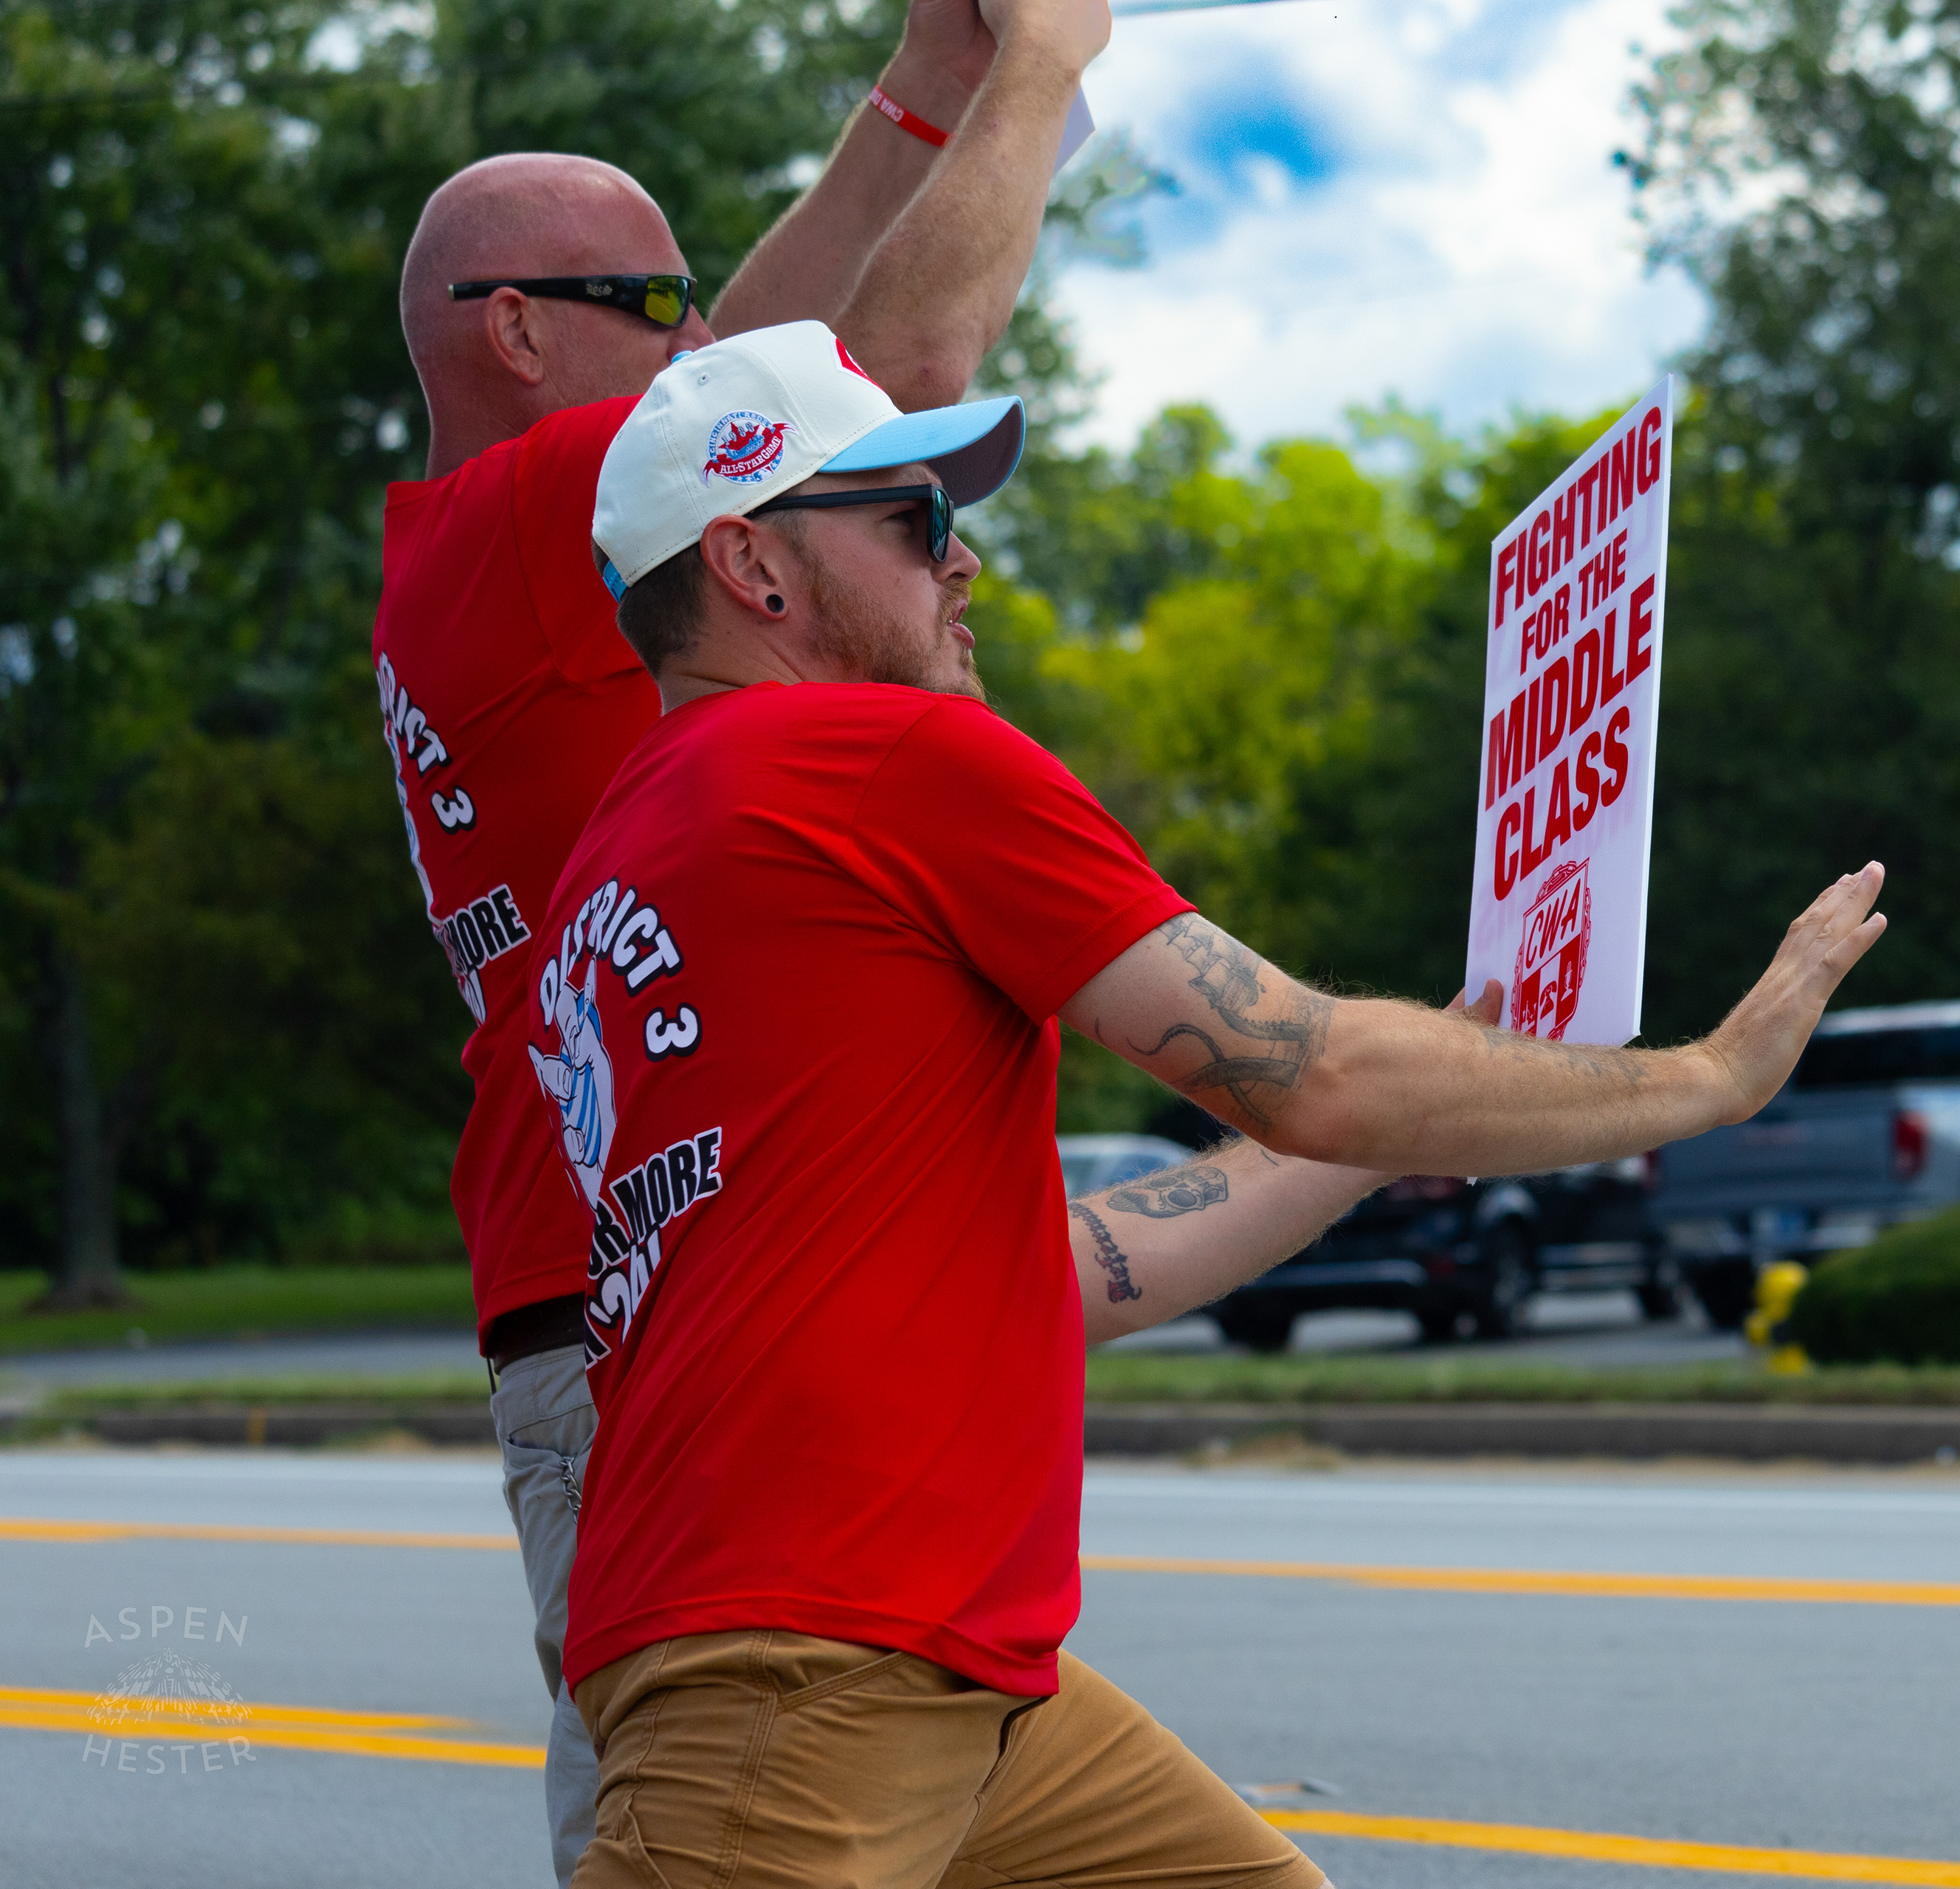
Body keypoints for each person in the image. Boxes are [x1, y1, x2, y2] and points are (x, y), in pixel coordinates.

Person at [528, 320, 1889, 1889]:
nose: (964, 566)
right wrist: (1707, 1078)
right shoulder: (881, 758)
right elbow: (1314, 1067)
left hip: (921, 1661)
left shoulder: (635, 848)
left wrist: (1373, 1149)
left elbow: (1056, 1259)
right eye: (915, 521)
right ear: (753, 565)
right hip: (803, 1657)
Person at [369, 2, 1107, 1879]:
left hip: (653, 1279)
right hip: (640, 1311)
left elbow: (765, 362)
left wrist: (928, 84)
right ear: (517, 330)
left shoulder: (507, 539)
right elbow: (868, 369)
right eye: (650, 302)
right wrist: (1042, 67)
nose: (697, 338)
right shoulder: (535, 519)